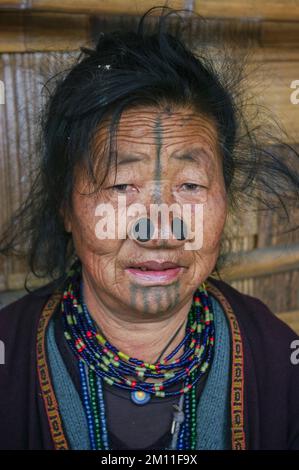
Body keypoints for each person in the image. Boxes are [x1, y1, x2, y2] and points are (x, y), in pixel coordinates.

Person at [0, 7, 299, 450]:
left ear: (226, 200)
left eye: (191, 185)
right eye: (122, 186)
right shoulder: (9, 359)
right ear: (66, 207)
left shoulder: (279, 361)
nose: (159, 229)